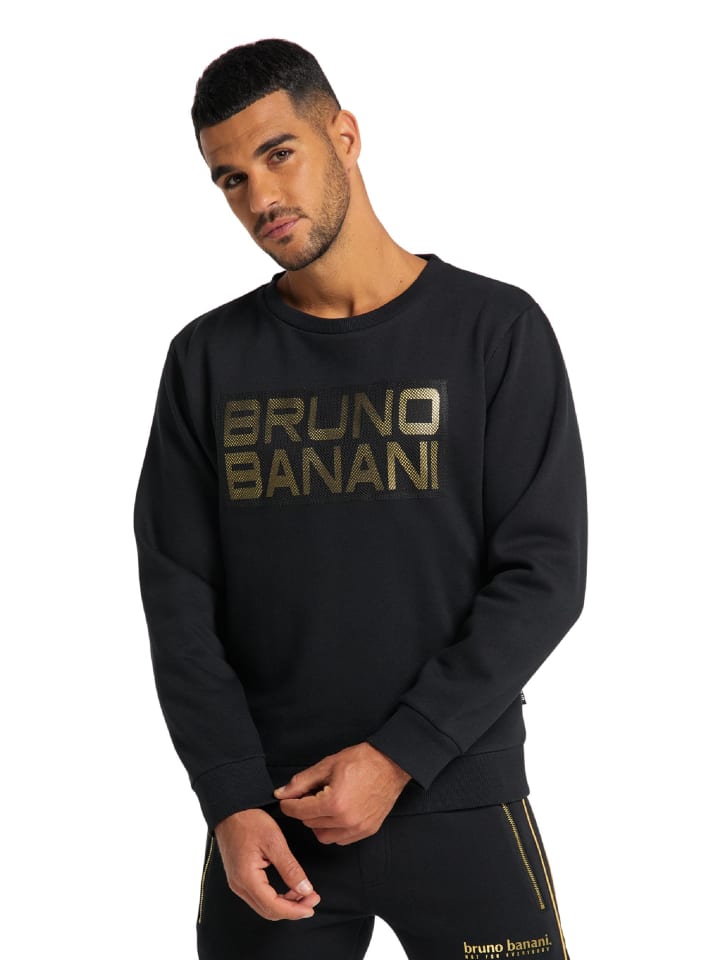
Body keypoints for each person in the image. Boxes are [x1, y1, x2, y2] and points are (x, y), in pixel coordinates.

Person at [133, 38, 588, 960]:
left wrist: (400, 756)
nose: (260, 198)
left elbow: (544, 574)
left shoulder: (494, 330)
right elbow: (178, 599)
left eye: (279, 154)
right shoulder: (207, 360)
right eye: (230, 179)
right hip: (273, 823)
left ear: (343, 135)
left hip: (460, 798)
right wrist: (230, 797)